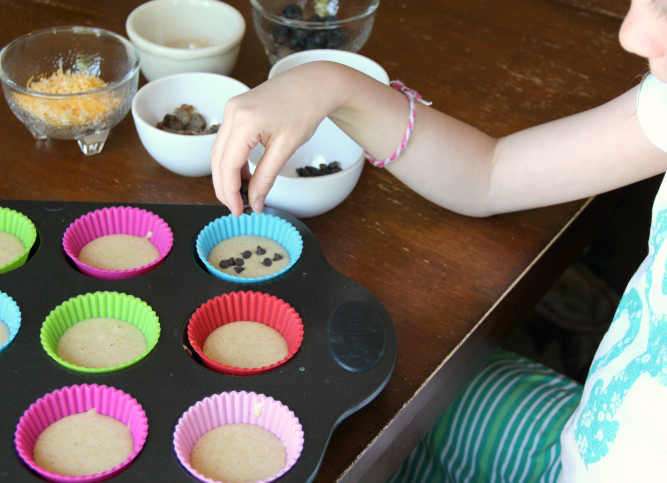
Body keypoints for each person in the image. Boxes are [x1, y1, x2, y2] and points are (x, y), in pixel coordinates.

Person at [209, 0, 667, 480]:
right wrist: (329, 84)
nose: (631, 33)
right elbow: (489, 175)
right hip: (583, 444)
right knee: (381, 410)